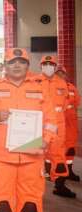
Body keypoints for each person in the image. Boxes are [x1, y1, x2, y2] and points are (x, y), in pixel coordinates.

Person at [0, 48, 61, 212]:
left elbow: (51, 120)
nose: (16, 65)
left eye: (21, 62)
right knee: (2, 202)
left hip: (33, 154)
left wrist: (46, 140)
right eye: (12, 62)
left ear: (27, 66)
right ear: (5, 65)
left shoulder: (40, 88)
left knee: (31, 203)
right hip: (1, 156)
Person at [38, 56, 76, 198]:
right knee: (35, 156)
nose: (48, 66)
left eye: (51, 64)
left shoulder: (62, 83)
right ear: (41, 66)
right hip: (39, 124)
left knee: (59, 156)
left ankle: (60, 185)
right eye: (45, 64)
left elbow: (65, 104)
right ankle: (34, 189)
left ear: (55, 67)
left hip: (58, 126)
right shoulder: (34, 82)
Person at [57, 67, 81, 183]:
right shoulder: (52, 87)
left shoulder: (71, 87)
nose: (60, 75)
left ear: (65, 74)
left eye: (62, 73)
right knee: (58, 148)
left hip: (71, 121)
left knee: (70, 148)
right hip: (59, 120)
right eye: (58, 73)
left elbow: (77, 101)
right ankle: (56, 173)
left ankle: (69, 170)